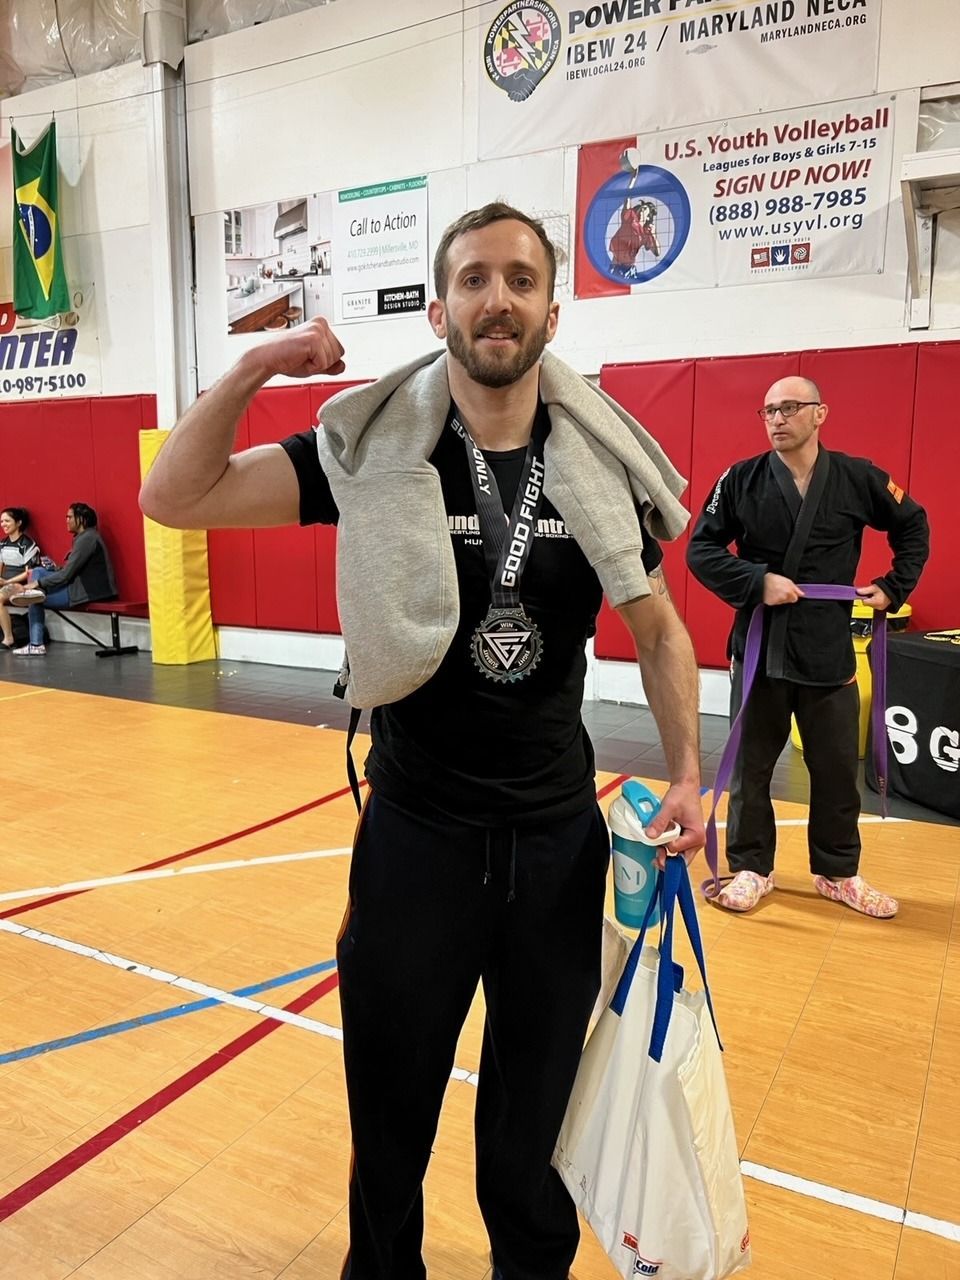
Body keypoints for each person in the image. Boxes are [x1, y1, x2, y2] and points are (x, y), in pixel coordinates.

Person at [140, 202, 705, 1280]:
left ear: (552, 308)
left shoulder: (597, 464)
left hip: (553, 843)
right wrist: (260, 361)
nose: (501, 298)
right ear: (441, 307)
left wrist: (687, 773)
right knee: (390, 1120)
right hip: (416, 840)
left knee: (530, 1134)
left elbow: (660, 625)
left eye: (523, 279)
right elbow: (174, 495)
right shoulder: (365, 450)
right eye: (478, 279)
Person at [686, 376, 929, 918]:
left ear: (820, 414)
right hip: (759, 649)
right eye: (768, 409)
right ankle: (751, 867)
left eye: (789, 408)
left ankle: (838, 872)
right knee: (751, 769)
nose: (777, 418)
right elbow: (700, 550)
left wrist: (895, 586)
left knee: (838, 769)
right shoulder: (740, 479)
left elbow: (913, 524)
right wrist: (755, 581)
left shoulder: (857, 477)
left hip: (827, 650)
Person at [11, 501, 117, 655]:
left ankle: (36, 644)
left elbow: (67, 575)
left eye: (70, 517)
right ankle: (35, 642)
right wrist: (53, 570)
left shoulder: (87, 539)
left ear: (82, 519)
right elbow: (70, 570)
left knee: (33, 597)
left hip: (89, 591)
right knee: (38, 572)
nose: (66, 521)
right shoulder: (84, 537)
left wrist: (37, 584)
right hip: (80, 586)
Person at [0, 507, 41, 648]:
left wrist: (7, 581)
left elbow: (28, 572)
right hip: (4, 582)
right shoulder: (3, 543)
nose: (3, 524)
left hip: (20, 585)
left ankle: (8, 638)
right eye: (1, 521)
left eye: (7, 521)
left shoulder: (28, 544)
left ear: (18, 523)